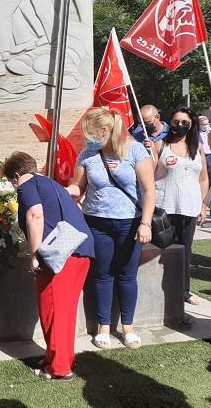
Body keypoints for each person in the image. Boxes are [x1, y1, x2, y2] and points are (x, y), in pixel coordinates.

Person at [67, 107, 155, 349]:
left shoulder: (135, 150)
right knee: (102, 274)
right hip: (96, 223)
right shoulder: (87, 154)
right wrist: (63, 192)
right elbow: (78, 186)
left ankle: (128, 326)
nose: (87, 138)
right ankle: (103, 326)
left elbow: (149, 190)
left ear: (105, 131)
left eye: (90, 133)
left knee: (127, 275)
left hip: (130, 223)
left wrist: (145, 223)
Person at [3, 151, 94, 380]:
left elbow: (35, 215)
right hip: (81, 250)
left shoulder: (27, 185)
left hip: (60, 255)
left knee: (53, 309)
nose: (13, 186)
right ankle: (59, 357)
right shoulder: (49, 183)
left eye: (11, 180)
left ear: (16, 174)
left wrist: (34, 254)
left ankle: (59, 368)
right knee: (65, 310)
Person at [153, 107, 209, 306]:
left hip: (189, 207)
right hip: (163, 209)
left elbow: (203, 179)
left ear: (192, 125)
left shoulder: (198, 147)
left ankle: (184, 290)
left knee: (185, 250)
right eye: (176, 121)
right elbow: (148, 176)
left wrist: (203, 205)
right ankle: (160, 289)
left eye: (185, 122)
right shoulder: (160, 145)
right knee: (163, 250)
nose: (180, 125)